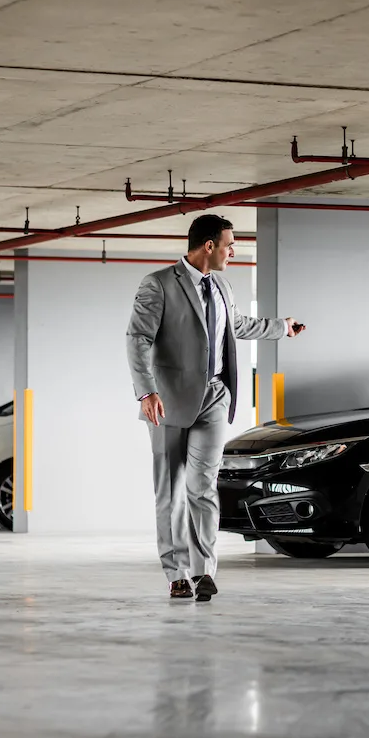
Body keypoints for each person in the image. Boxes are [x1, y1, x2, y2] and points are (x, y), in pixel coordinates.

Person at [126, 214, 299, 601]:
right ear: (209, 246)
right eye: (229, 244)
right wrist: (146, 391)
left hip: (215, 397)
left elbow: (235, 325)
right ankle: (176, 573)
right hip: (167, 403)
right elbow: (137, 339)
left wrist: (281, 327)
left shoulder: (222, 285)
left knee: (202, 487)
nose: (233, 252)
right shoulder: (158, 284)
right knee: (170, 491)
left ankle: (204, 570)